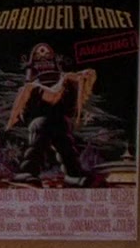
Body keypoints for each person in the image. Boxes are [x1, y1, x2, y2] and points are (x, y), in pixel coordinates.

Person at [6, 42, 97, 187]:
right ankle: (27, 171)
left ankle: (73, 174)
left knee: (65, 140)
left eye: (47, 55)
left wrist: (83, 76)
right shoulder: (32, 86)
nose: (43, 58)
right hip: (40, 120)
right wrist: (64, 81)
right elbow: (50, 97)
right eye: (39, 55)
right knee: (41, 129)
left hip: (58, 120)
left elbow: (69, 98)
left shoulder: (64, 80)